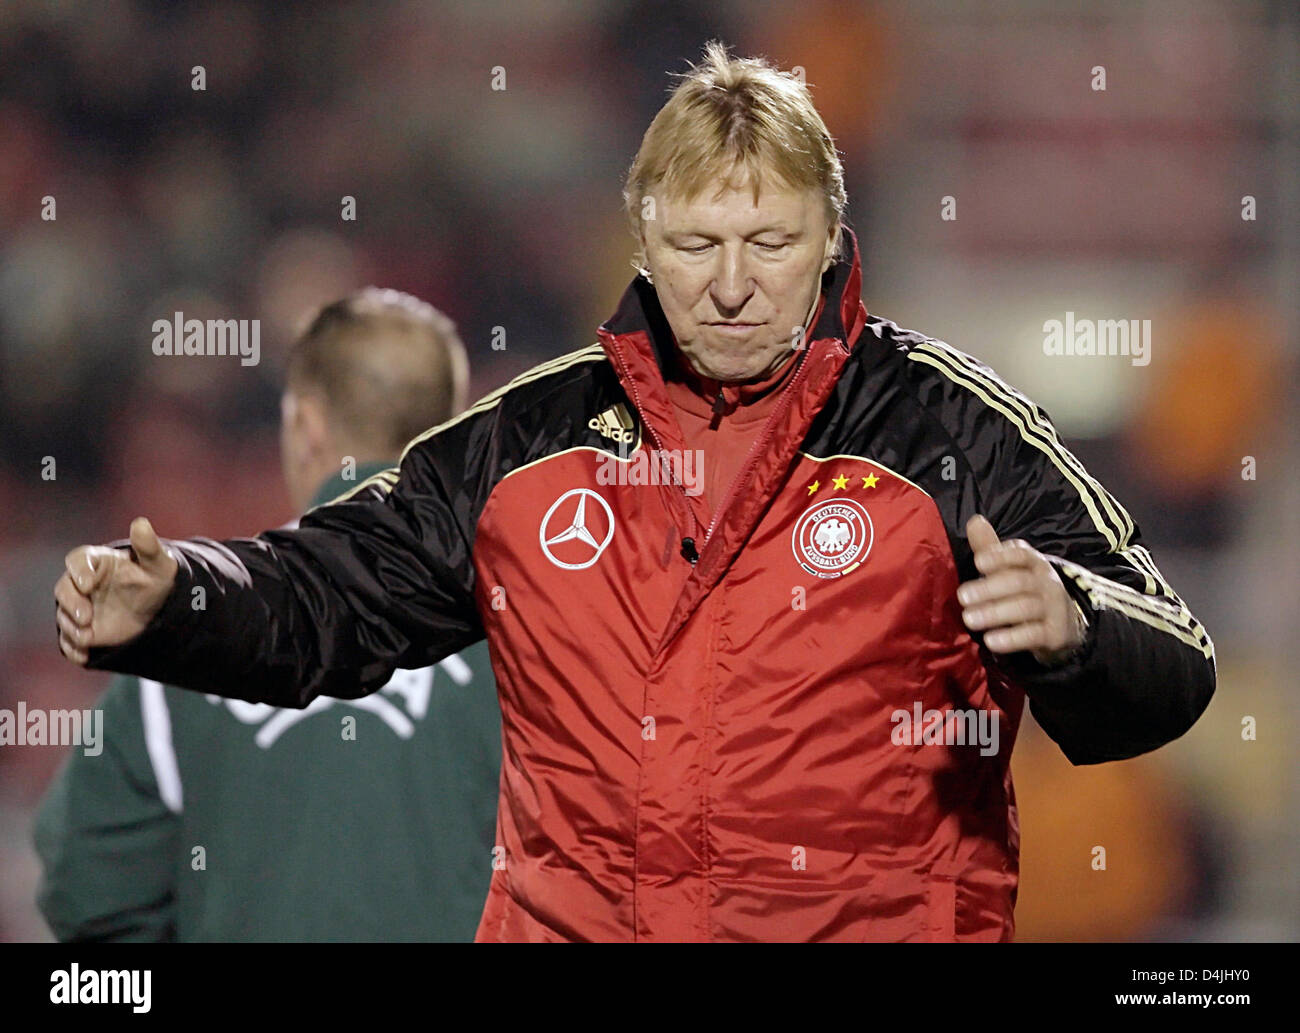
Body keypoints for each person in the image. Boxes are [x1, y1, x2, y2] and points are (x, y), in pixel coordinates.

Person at [53, 44, 1215, 942]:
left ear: (828, 240)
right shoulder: (530, 442)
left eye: (768, 240)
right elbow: (330, 591)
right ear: (643, 242)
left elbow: (1173, 664)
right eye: (697, 243)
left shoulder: (951, 433)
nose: (730, 286)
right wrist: (180, 597)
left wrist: (1070, 624)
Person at [38, 288, 501, 942]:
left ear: (306, 426)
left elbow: (87, 885)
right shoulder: (529, 620)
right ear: (451, 439)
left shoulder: (190, 615)